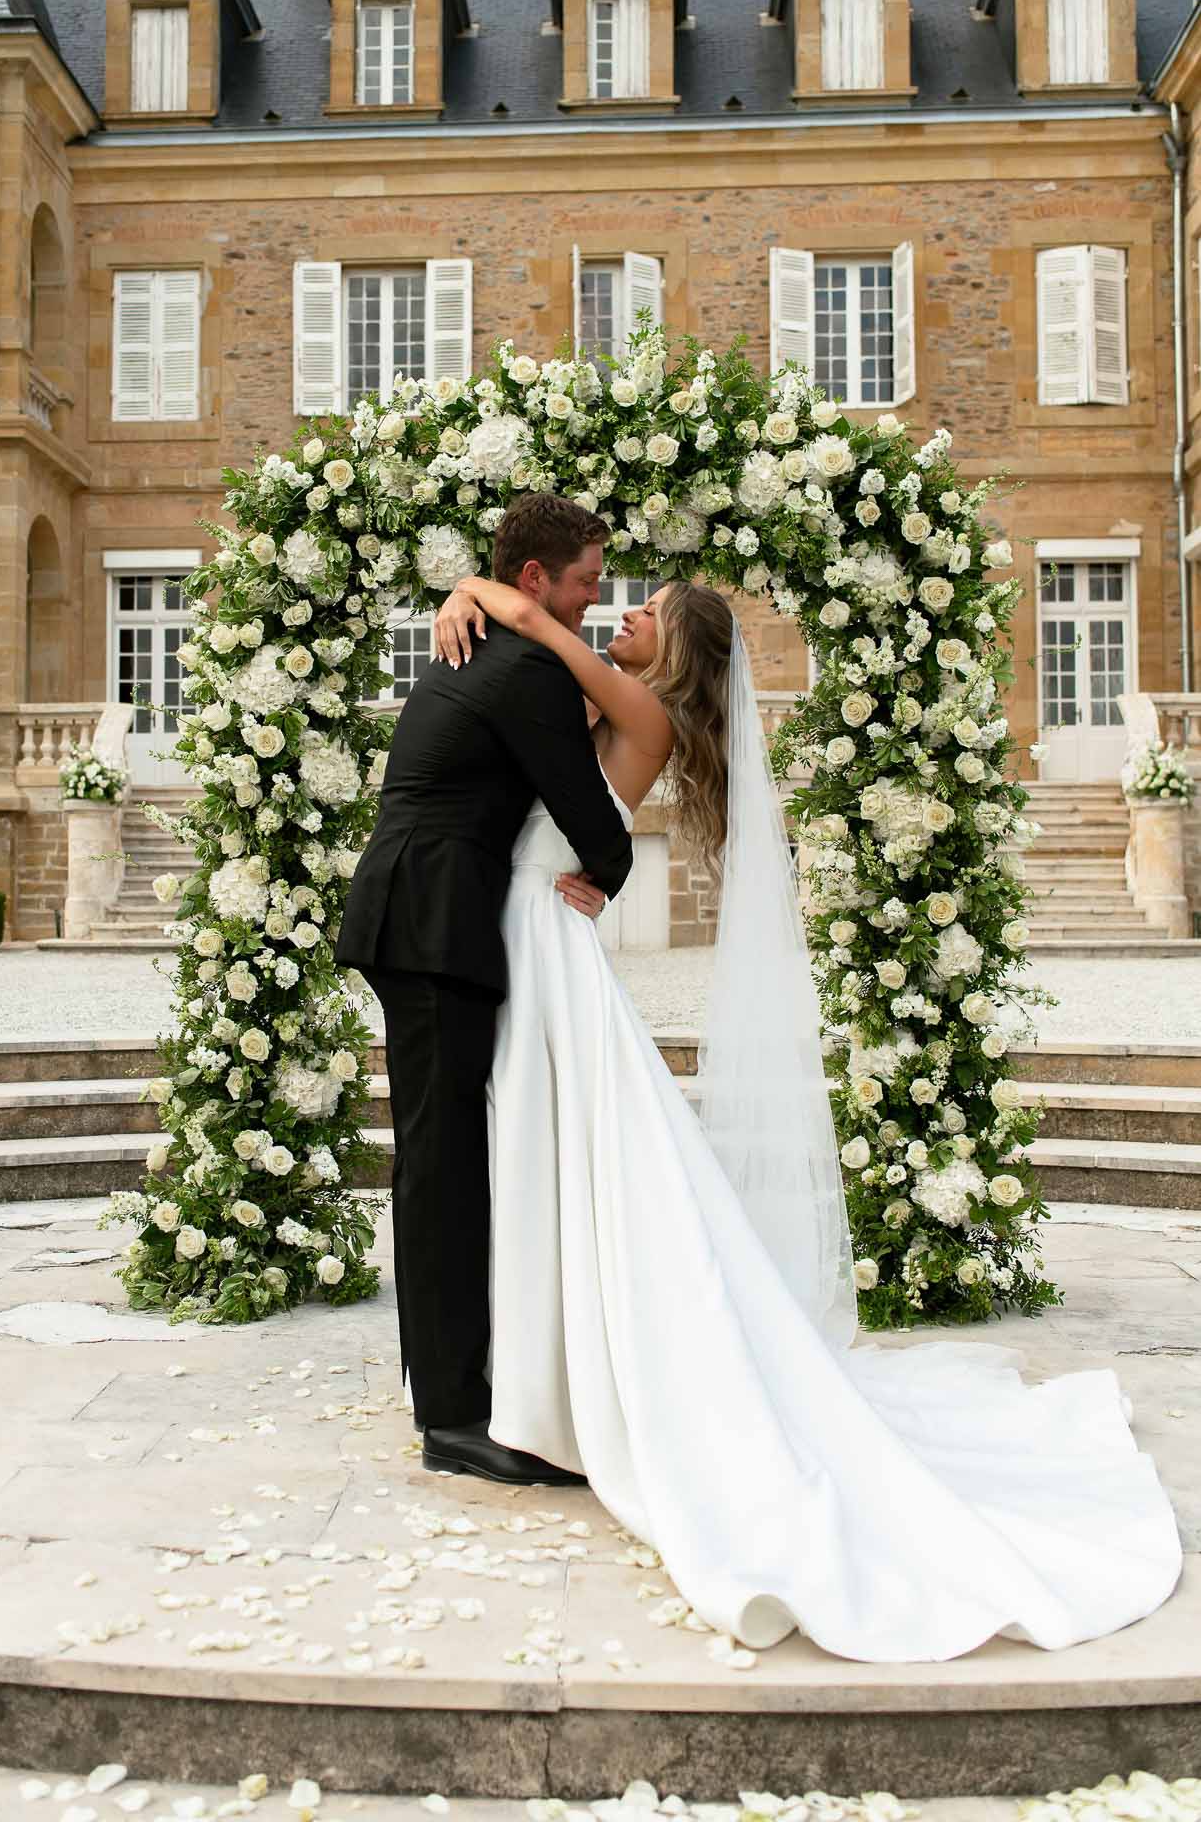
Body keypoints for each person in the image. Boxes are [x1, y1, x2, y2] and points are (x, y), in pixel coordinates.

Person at [429, 568, 1182, 1663]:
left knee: (572, 1156)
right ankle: (540, 1363)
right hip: (526, 933)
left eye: (646, 611)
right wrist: (464, 592)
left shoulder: (633, 704)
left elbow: (546, 632)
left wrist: (486, 593)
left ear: (677, 652)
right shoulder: (591, 694)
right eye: (622, 600)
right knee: (554, 1160)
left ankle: (569, 1381)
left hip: (546, 940)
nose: (623, 611)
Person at [336, 494, 633, 1487]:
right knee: (439, 1166)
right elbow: (590, 814)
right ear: (535, 581)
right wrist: (607, 871)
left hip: (427, 913)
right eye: (587, 579)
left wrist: (467, 589)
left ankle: (455, 1382)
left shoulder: (490, 649)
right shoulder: (527, 668)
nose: (596, 598)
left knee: (441, 1159)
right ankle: (452, 1415)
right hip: (429, 917)